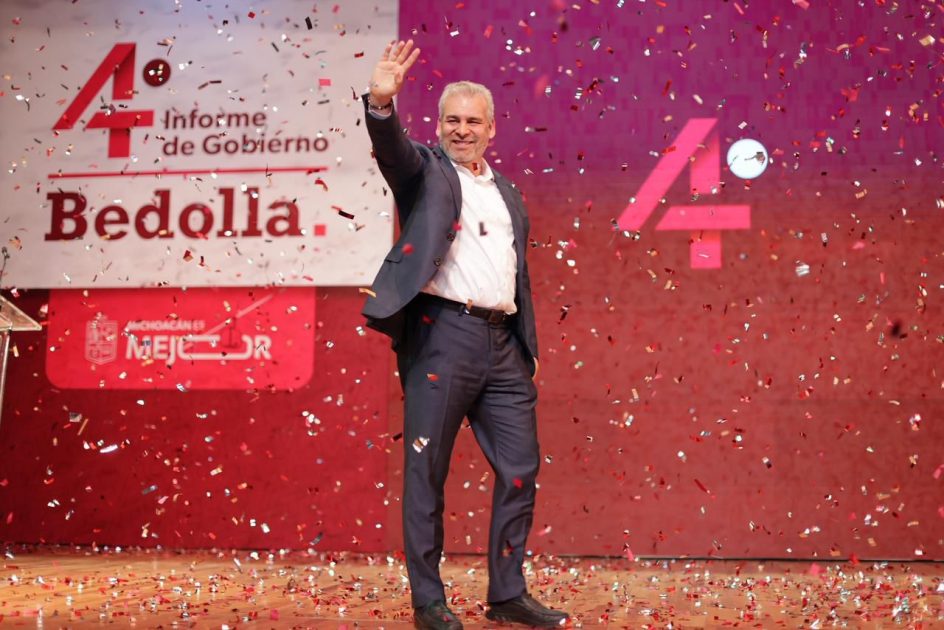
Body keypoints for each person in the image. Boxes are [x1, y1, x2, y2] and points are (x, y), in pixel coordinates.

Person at [360, 40, 570, 630]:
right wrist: (381, 103)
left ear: (491, 129)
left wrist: (526, 345)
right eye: (452, 120)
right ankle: (429, 601)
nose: (462, 130)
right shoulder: (425, 172)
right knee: (426, 473)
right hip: (442, 337)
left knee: (521, 468)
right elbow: (392, 150)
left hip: (502, 347)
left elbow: (516, 274)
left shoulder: (507, 194)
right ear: (439, 125)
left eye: (473, 122)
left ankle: (507, 594)